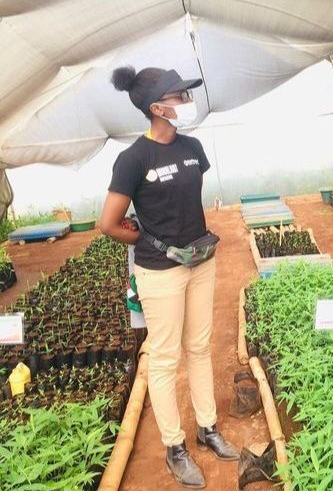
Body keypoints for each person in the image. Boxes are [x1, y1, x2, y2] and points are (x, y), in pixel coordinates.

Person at [100, 66, 239, 489]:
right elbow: (108, 223)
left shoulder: (194, 147)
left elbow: (186, 202)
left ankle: (207, 427)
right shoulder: (133, 159)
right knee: (163, 357)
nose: (186, 102)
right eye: (179, 96)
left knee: (198, 346)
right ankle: (174, 447)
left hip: (201, 261)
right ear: (157, 107)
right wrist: (144, 237)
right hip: (160, 270)